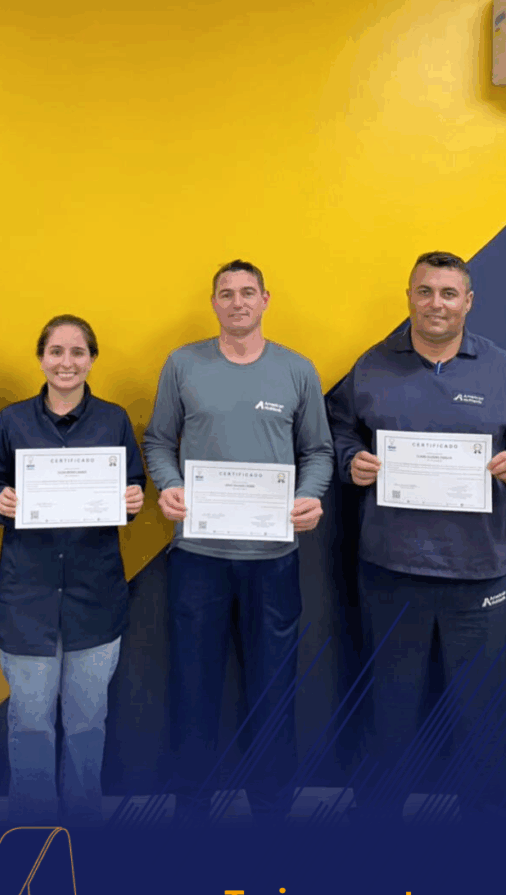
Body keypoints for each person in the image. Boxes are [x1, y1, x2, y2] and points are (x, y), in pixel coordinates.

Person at [326, 251, 506, 820]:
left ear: (469, 302)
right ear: (409, 297)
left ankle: (488, 836)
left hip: (478, 573)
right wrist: (350, 459)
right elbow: (335, 428)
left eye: (449, 293)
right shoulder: (372, 366)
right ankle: (376, 828)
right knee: (387, 713)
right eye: (425, 291)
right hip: (390, 569)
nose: (436, 303)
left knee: (482, 716)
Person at [143, 259, 334, 824]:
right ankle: (191, 808)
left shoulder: (297, 370)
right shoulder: (183, 364)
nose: (238, 302)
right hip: (197, 558)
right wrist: (169, 484)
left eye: (248, 292)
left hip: (273, 559)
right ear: (214, 303)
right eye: (226, 294)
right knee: (192, 688)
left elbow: (318, 451)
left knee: (273, 690)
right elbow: (158, 441)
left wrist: (310, 495)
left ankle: (271, 810)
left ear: (265, 300)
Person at [0, 314, 145, 827]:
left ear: (92, 359)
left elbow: (133, 485)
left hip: (95, 597)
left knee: (88, 724)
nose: (66, 362)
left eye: (77, 352)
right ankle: (32, 830)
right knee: (30, 724)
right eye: (56, 351)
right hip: (26, 598)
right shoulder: (13, 421)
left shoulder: (113, 420)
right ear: (41, 357)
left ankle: (82, 826)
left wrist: (133, 499)